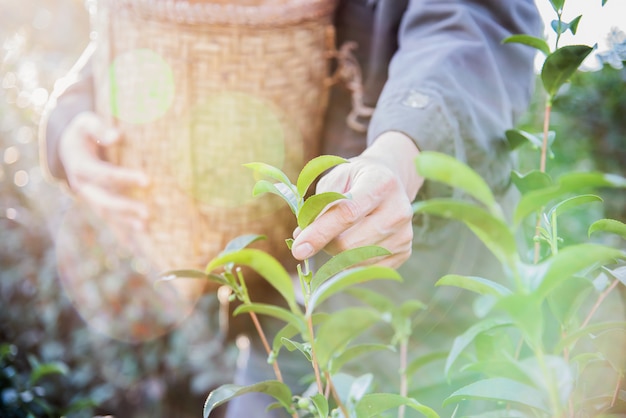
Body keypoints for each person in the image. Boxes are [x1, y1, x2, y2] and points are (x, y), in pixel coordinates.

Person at [40, 0, 543, 416]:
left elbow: (472, 29)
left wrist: (397, 155)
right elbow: (161, 22)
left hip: (425, 315)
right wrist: (70, 121)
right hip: (279, 319)